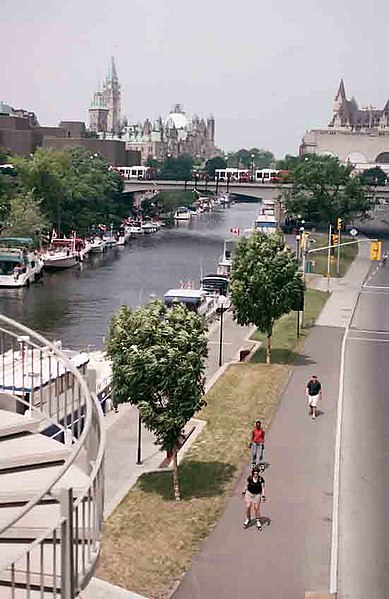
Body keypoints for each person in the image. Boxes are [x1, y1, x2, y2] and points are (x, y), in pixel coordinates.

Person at [242, 465, 266, 530]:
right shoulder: (250, 478)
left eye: (257, 473)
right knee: (248, 506)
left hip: (257, 495)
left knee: (256, 508)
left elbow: (263, 488)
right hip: (249, 494)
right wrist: (244, 491)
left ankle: (258, 521)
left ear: (258, 473)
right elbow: (246, 485)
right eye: (254, 473)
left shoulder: (261, 479)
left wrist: (263, 496)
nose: (255, 475)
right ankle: (248, 519)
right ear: (252, 473)